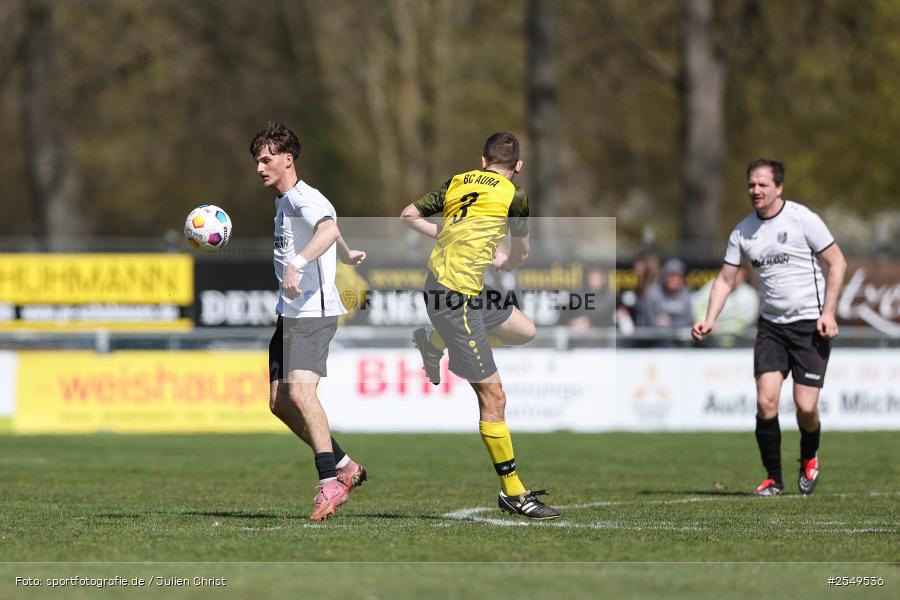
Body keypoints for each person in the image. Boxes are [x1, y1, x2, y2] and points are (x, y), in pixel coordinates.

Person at [400, 131, 561, 520]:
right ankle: (514, 492)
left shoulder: (458, 180)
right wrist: (509, 260)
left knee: (525, 330)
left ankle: (433, 341)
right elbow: (521, 249)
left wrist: (445, 231)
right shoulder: (515, 196)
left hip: (457, 291)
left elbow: (408, 215)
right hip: (455, 299)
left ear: (483, 160)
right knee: (494, 399)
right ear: (518, 167)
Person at [692, 157, 847, 496]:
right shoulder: (742, 231)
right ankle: (773, 479)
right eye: (751, 184)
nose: (756, 190)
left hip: (810, 325)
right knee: (766, 402)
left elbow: (837, 262)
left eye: (763, 184)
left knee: (806, 407)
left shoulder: (803, 219)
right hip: (772, 328)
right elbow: (725, 280)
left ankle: (809, 455)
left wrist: (829, 312)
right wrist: (710, 318)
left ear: (779, 187)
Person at [251, 122, 368, 522]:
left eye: (267, 160)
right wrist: (349, 253)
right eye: (257, 161)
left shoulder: (303, 197)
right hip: (290, 315)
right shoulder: (287, 201)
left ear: (288, 159)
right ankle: (346, 464)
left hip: (313, 314)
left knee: (301, 394)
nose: (260, 167)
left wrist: (298, 265)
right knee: (279, 403)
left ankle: (329, 482)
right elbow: (331, 227)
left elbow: (327, 225)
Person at [691, 262, 759, 343]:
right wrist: (705, 325)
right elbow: (697, 307)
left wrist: (720, 328)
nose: (735, 275)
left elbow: (743, 322)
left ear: (744, 275)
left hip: (737, 342)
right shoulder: (711, 286)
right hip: (708, 339)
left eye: (738, 272)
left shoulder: (750, 296)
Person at [636, 258, 694, 345]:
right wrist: (658, 324)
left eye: (677, 276)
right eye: (671, 275)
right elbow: (646, 322)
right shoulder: (652, 294)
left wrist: (670, 323)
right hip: (655, 344)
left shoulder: (686, 295)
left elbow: (689, 321)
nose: (674, 279)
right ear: (664, 276)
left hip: (680, 344)